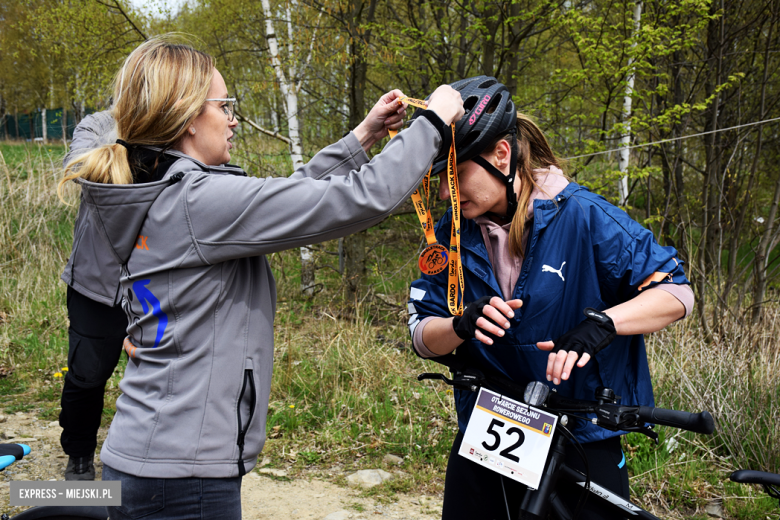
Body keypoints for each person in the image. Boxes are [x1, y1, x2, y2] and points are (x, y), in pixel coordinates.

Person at [59, 37, 464, 519]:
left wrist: (363, 137)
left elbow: (291, 197)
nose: (233, 118)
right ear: (188, 117)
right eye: (224, 105)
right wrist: (435, 123)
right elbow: (364, 198)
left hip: (153, 457)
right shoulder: (197, 201)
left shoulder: (156, 188)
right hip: (185, 478)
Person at [406, 76, 694, 520]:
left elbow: (676, 293)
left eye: (454, 173)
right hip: (490, 425)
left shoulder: (583, 215)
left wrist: (601, 325)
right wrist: (461, 324)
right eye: (435, 178)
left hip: (579, 431)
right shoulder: (449, 232)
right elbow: (422, 335)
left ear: (502, 154)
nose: (444, 192)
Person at [59, 113, 123, 481]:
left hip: (153, 281)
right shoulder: (98, 125)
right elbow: (81, 167)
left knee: (165, 373)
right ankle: (79, 454)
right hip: (95, 280)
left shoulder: (178, 125)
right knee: (87, 374)